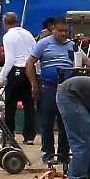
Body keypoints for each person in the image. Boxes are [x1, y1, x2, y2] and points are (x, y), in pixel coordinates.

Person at [27, 17, 76, 166]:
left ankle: (63, 154)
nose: (63, 34)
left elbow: (86, 61)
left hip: (66, 88)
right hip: (48, 87)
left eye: (66, 31)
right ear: (53, 29)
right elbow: (29, 63)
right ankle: (48, 153)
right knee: (47, 121)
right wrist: (34, 85)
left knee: (65, 122)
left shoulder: (72, 45)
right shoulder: (43, 44)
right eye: (60, 31)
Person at [0, 12, 36, 145]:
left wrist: (0, 78)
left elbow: (9, 60)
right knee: (28, 104)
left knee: (10, 104)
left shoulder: (8, 36)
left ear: (5, 24)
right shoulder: (28, 34)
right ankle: (29, 135)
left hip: (17, 70)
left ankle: (9, 133)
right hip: (30, 70)